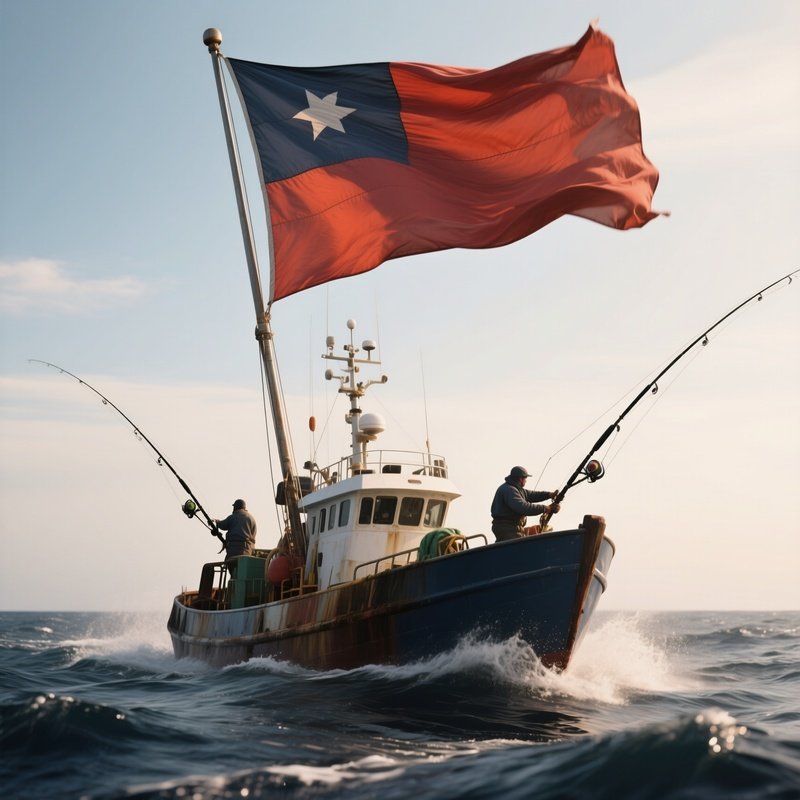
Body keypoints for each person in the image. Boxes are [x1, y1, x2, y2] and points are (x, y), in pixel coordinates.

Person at [490, 466, 560, 541]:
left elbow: (532, 495)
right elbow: (523, 507)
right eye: (525, 478)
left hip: (512, 528)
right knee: (517, 545)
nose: (526, 481)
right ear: (520, 479)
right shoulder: (509, 490)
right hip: (507, 528)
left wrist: (549, 495)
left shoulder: (515, 488)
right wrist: (545, 508)